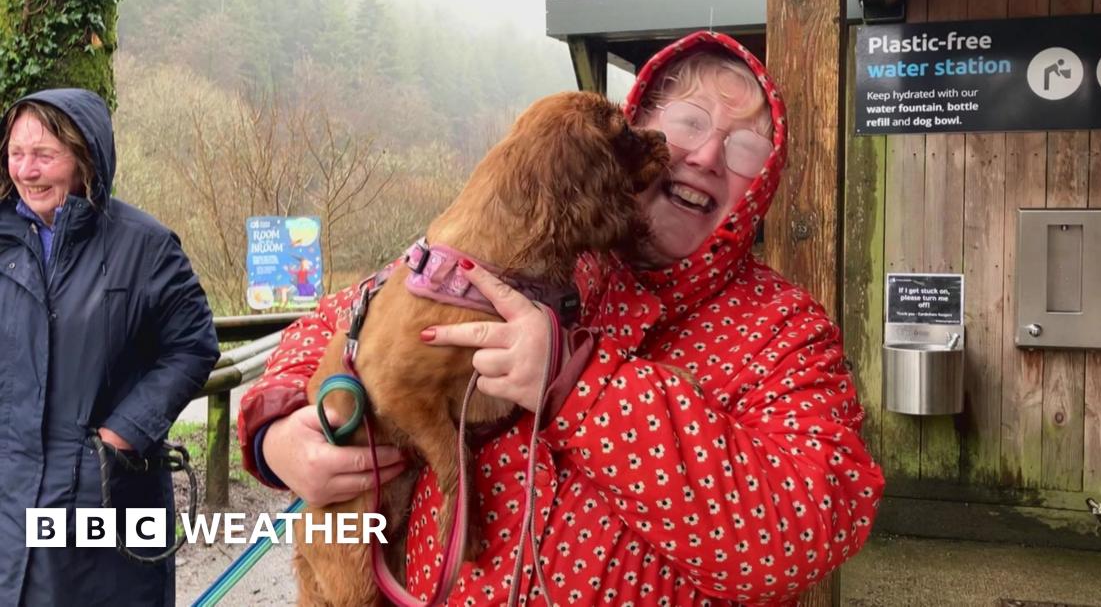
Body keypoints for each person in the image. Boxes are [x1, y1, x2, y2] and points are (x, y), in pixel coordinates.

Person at [237, 31, 885, 604]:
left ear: (762, 184)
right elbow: (344, 320)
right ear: (634, 132)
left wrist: (582, 385)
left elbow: (800, 533)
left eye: (744, 147)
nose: (707, 155)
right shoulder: (524, 246)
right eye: (689, 122)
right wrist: (280, 433)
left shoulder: (784, 331)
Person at [0, 89, 220, 606]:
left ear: (86, 156)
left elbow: (192, 346)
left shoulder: (145, 245)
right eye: (16, 153)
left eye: (44, 155)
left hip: (105, 490)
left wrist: (124, 434)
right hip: (10, 489)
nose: (27, 170)